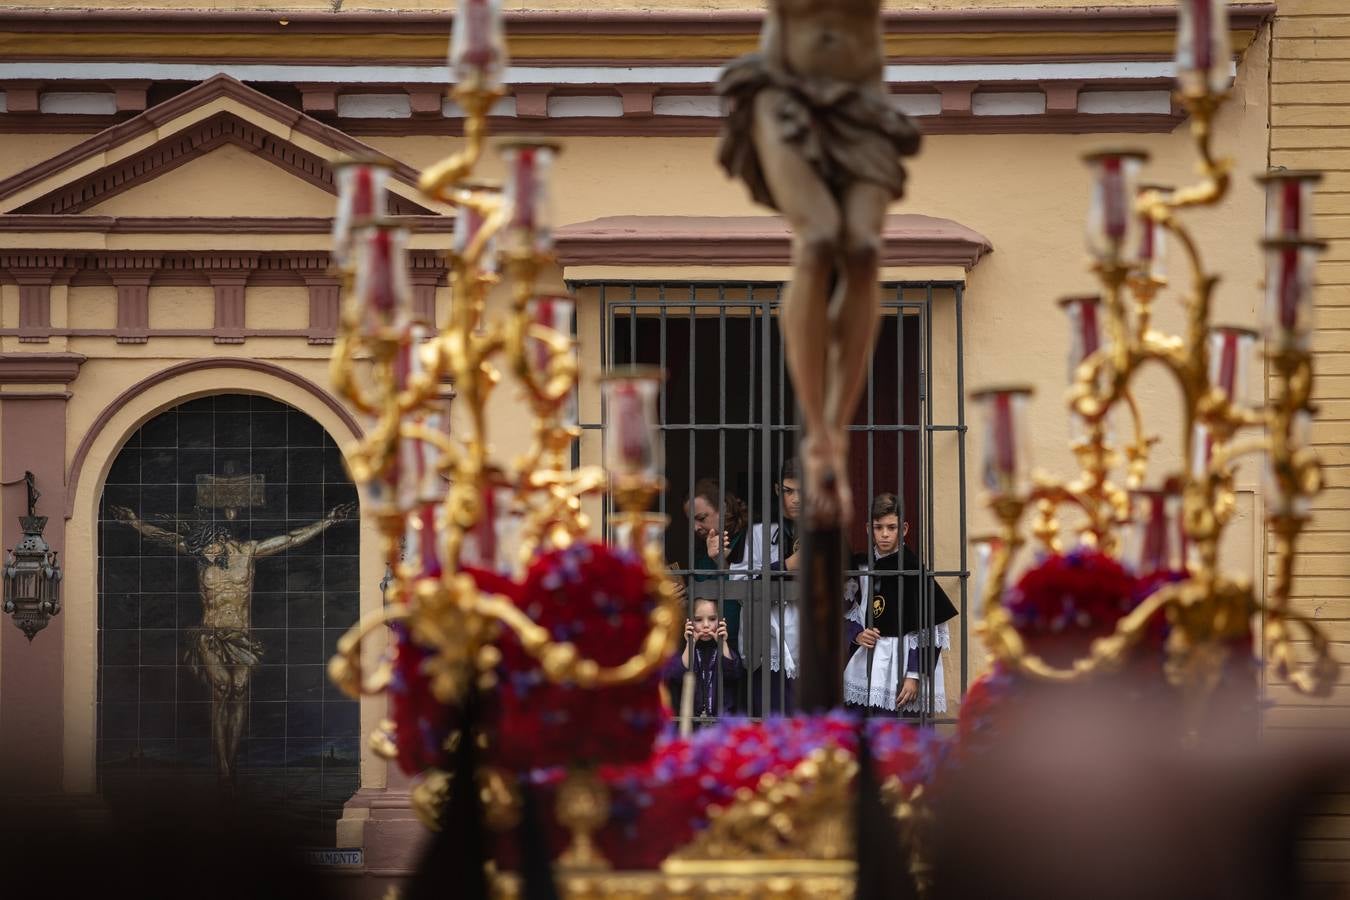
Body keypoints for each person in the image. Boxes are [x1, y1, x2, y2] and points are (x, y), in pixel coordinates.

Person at [718, 0, 921, 527]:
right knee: (819, 239)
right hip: (787, 97)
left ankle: (837, 425)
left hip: (863, 105)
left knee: (864, 251)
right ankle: (820, 435)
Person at [110, 503, 355, 779]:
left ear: (222, 538)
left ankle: (232, 759)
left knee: (239, 689)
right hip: (209, 635)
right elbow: (165, 537)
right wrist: (134, 523)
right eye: (202, 553)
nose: (207, 556)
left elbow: (291, 539)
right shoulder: (201, 552)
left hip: (242, 637)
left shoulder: (248, 552)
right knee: (222, 688)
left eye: (210, 550)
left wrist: (328, 521)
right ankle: (222, 765)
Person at [843, 493, 957, 717]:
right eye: (878, 527)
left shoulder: (913, 570)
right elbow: (846, 610)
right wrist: (857, 634)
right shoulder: (862, 567)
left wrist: (914, 675)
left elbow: (931, 626)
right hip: (868, 661)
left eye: (891, 527)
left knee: (900, 730)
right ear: (869, 529)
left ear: (903, 529)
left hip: (903, 664)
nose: (884, 534)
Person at [661, 597, 745, 722]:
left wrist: (722, 643)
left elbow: (733, 672)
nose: (706, 625)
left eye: (712, 619)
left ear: (721, 621)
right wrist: (691, 643)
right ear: (689, 622)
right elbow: (678, 675)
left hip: (721, 723)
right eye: (698, 620)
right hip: (691, 723)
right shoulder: (686, 650)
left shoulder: (724, 649)